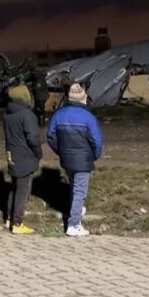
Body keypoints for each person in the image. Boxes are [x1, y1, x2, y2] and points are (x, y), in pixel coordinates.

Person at [46, 82, 103, 237]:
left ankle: (75, 210)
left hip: (66, 158)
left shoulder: (58, 115)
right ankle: (74, 224)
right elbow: (97, 141)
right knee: (79, 191)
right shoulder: (88, 117)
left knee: (74, 186)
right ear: (82, 98)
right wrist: (94, 155)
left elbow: (51, 136)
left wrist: (61, 151)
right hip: (83, 159)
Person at [3, 84, 42, 234]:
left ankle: (9, 218)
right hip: (25, 157)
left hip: (12, 155)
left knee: (14, 188)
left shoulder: (7, 114)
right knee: (23, 192)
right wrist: (38, 153)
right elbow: (33, 138)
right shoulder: (27, 115)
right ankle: (17, 223)